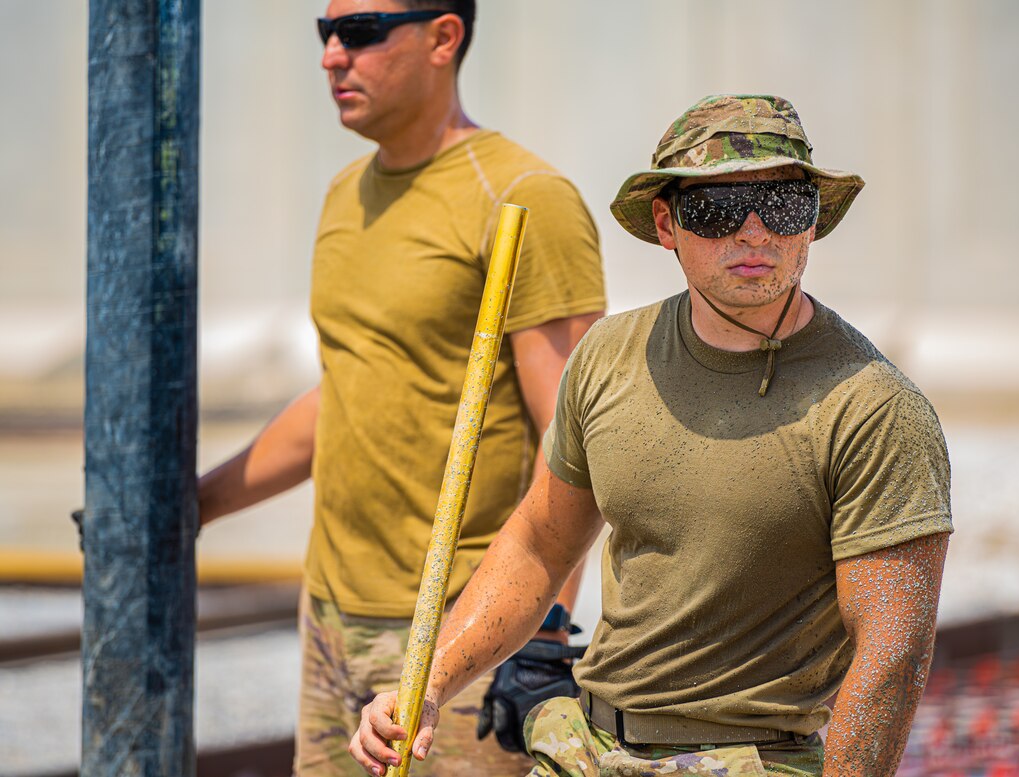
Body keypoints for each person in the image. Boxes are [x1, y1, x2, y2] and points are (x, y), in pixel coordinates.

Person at [350, 94, 954, 777]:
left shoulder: (873, 406)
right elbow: (540, 543)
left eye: (783, 204)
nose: (755, 232)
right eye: (718, 210)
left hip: (749, 758)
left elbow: (891, 656)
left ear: (812, 221)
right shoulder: (610, 356)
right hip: (584, 745)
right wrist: (426, 684)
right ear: (666, 223)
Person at [196, 2, 606, 775]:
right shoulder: (346, 195)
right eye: (325, 34)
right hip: (328, 621)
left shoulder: (523, 197)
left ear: (443, 38)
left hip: (452, 632)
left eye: (358, 33)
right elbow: (348, 393)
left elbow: (576, 443)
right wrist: (196, 505)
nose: (331, 58)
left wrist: (542, 634)